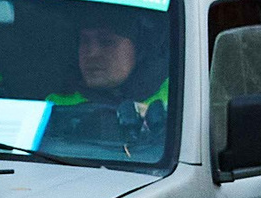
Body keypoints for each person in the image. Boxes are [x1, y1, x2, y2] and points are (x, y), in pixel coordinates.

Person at [44, 9, 172, 150]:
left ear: (141, 49)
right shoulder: (55, 107)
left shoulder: (179, 99)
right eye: (84, 41)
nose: (92, 54)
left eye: (107, 42)